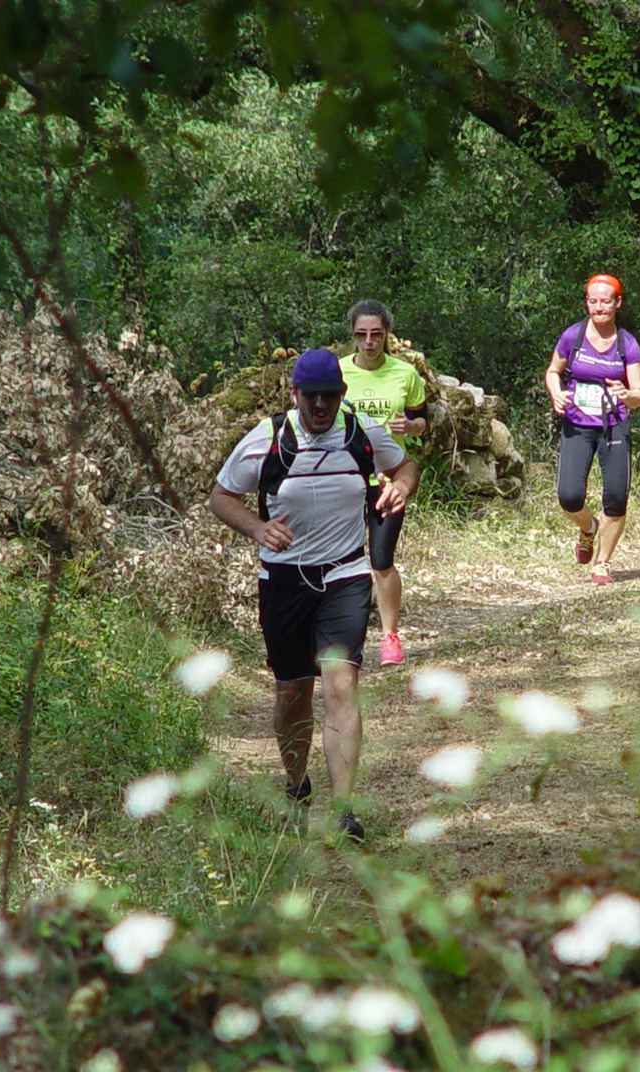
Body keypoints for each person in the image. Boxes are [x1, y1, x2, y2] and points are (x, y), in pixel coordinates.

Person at [208, 348, 419, 842]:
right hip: (283, 581)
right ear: (294, 394)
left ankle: (344, 809)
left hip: (345, 576)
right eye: (312, 397)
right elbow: (220, 497)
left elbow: (404, 465)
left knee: (340, 685)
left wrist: (401, 487)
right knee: (293, 692)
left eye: (330, 396)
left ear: (342, 394)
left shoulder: (360, 430)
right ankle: (296, 783)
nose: (321, 406)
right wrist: (258, 529)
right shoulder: (267, 439)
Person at [338, 299, 430, 666]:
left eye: (376, 334)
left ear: (387, 334)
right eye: (362, 335)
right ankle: (339, 638)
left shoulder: (405, 374)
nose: (369, 342)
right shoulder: (338, 373)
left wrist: (409, 427)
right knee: (340, 561)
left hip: (389, 478)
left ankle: (390, 636)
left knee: (381, 559)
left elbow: (422, 421)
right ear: (353, 337)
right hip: (344, 477)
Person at [545, 273, 640, 585]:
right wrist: (556, 394)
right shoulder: (572, 337)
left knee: (616, 497)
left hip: (613, 426)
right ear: (586, 303)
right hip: (577, 424)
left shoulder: (626, 344)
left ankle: (602, 563)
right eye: (593, 301)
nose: (599, 307)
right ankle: (588, 528)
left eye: (606, 301)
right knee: (569, 496)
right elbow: (553, 371)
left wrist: (627, 395)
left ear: (617, 303)